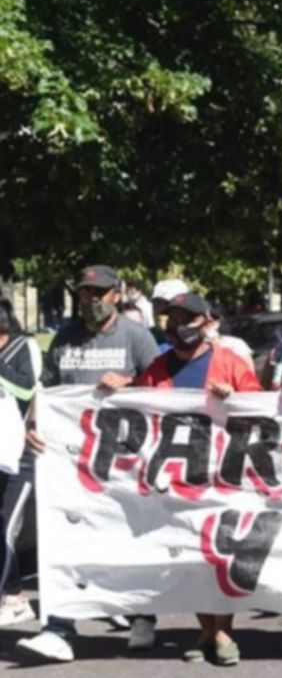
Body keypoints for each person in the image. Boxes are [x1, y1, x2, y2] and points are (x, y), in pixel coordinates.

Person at [17, 265, 160, 664]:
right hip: (70, 458)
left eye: (99, 292)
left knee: (127, 536)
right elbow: (46, 389)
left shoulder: (136, 337)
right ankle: (58, 627)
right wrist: (33, 422)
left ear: (116, 294)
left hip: (124, 457)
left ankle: (141, 615)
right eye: (84, 293)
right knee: (65, 537)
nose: (91, 300)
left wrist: (130, 383)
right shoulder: (64, 338)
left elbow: (163, 389)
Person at [133, 292, 260, 666]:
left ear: (206, 322)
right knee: (189, 555)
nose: (179, 327)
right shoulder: (158, 367)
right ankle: (207, 629)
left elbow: (258, 407)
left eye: (187, 319)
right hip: (176, 478)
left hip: (224, 473)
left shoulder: (230, 361)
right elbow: (137, 408)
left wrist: (234, 397)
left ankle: (223, 630)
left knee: (220, 553)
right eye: (172, 319)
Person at [0, 302, 40, 627]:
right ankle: (12, 595)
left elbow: (28, 387)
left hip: (19, 456)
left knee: (5, 526)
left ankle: (13, 597)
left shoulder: (22, 346)